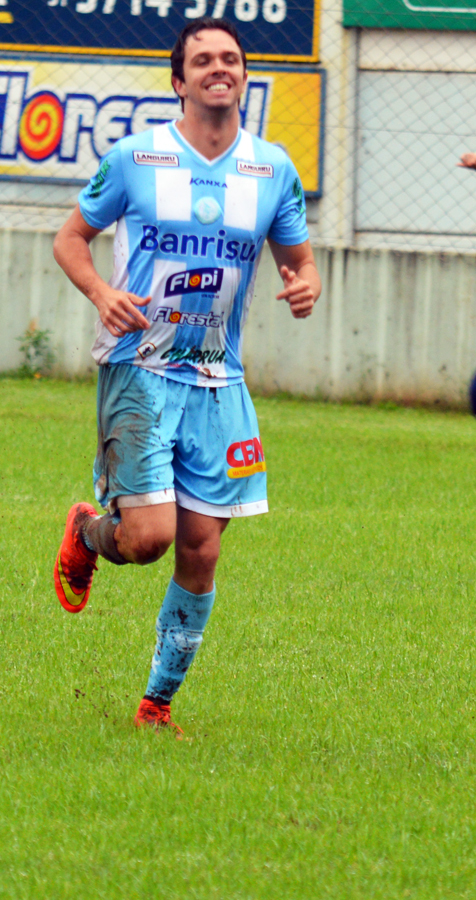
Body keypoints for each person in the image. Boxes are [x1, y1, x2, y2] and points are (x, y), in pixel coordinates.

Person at [52, 16, 322, 736]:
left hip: (220, 383)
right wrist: (102, 293)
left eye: (230, 57)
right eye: (202, 59)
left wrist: (305, 284)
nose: (218, 67)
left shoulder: (273, 169)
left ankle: (156, 704)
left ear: (243, 76)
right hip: (140, 369)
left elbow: (299, 258)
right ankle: (89, 533)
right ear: (179, 82)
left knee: (202, 548)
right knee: (147, 538)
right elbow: (70, 238)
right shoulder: (137, 158)